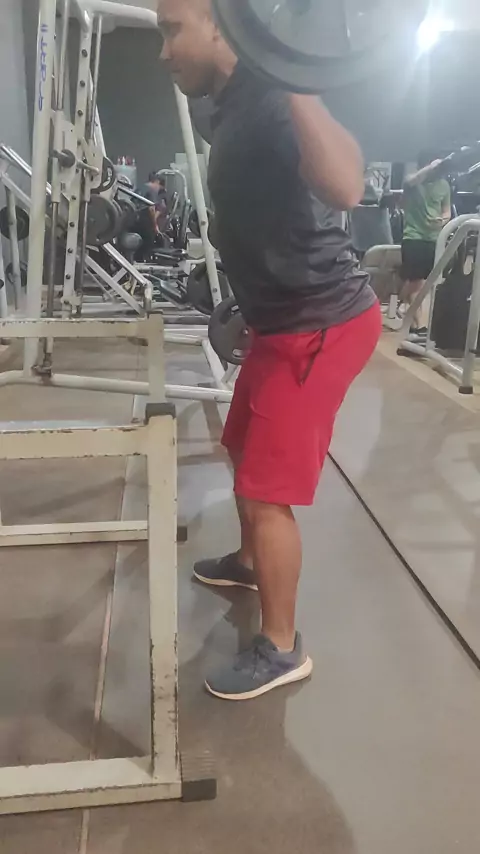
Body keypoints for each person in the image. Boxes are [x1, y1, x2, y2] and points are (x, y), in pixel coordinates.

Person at [158, 0, 382, 701]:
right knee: (238, 443)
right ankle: (252, 563)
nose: (163, 51)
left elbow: (346, 186)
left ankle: (282, 647)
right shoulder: (223, 104)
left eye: (171, 29)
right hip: (277, 321)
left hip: (321, 323)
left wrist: (291, 74)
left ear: (220, 25)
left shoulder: (277, 95)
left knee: (265, 490)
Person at [401, 152, 451, 335]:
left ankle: (405, 305)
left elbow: (447, 211)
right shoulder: (413, 182)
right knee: (417, 283)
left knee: (424, 284)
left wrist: (442, 220)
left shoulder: (444, 185)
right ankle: (419, 325)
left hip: (435, 239)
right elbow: (411, 180)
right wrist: (430, 167)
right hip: (413, 237)